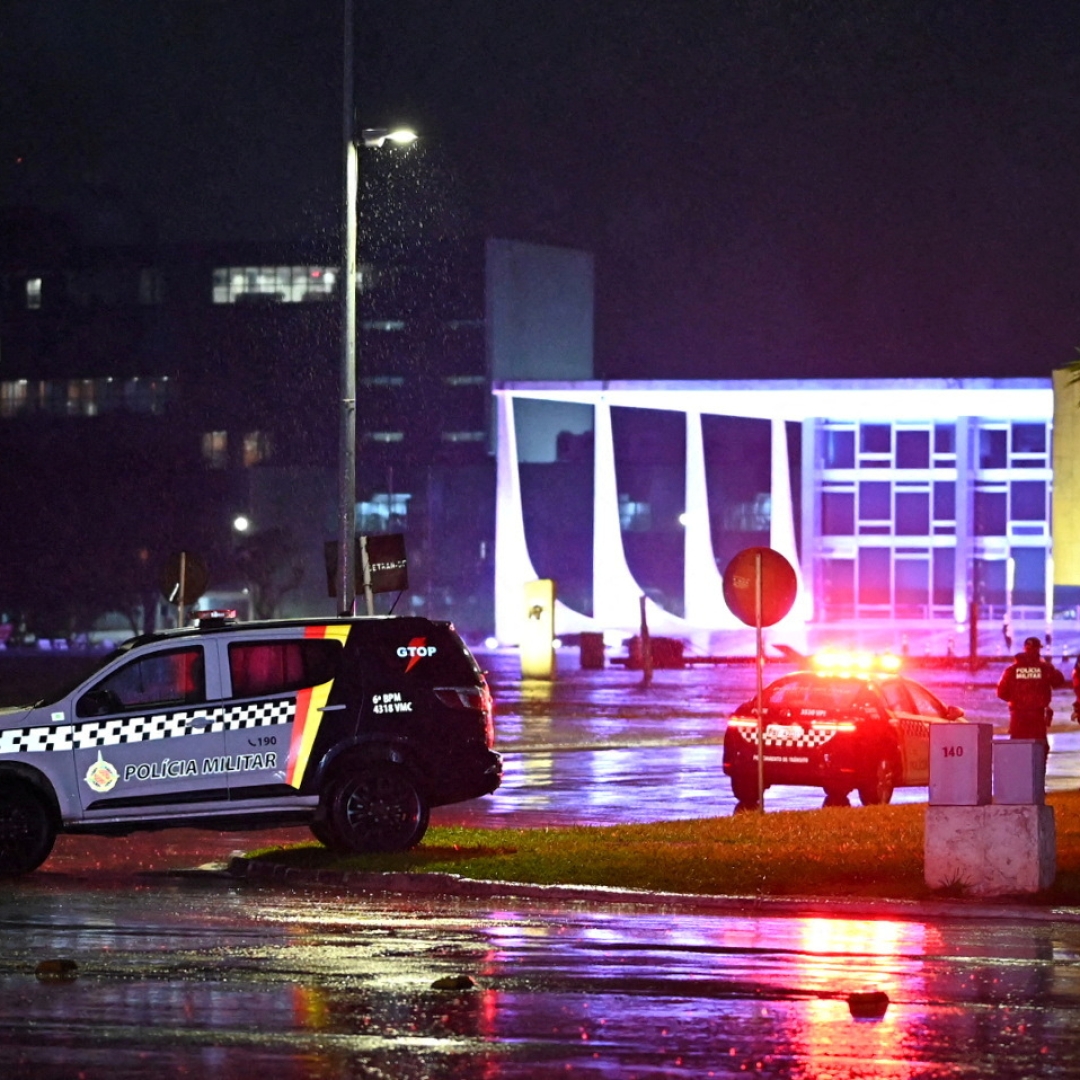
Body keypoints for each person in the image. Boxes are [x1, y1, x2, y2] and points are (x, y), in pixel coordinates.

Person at [996, 637, 1065, 749]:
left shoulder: (1012, 670)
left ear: (1024, 649)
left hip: (1017, 715)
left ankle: (1019, 766)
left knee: (1017, 747)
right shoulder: (1044, 668)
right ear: (1038, 649)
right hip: (1037, 716)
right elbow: (1059, 681)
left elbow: (1001, 692)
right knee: (1039, 748)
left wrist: (1018, 700)